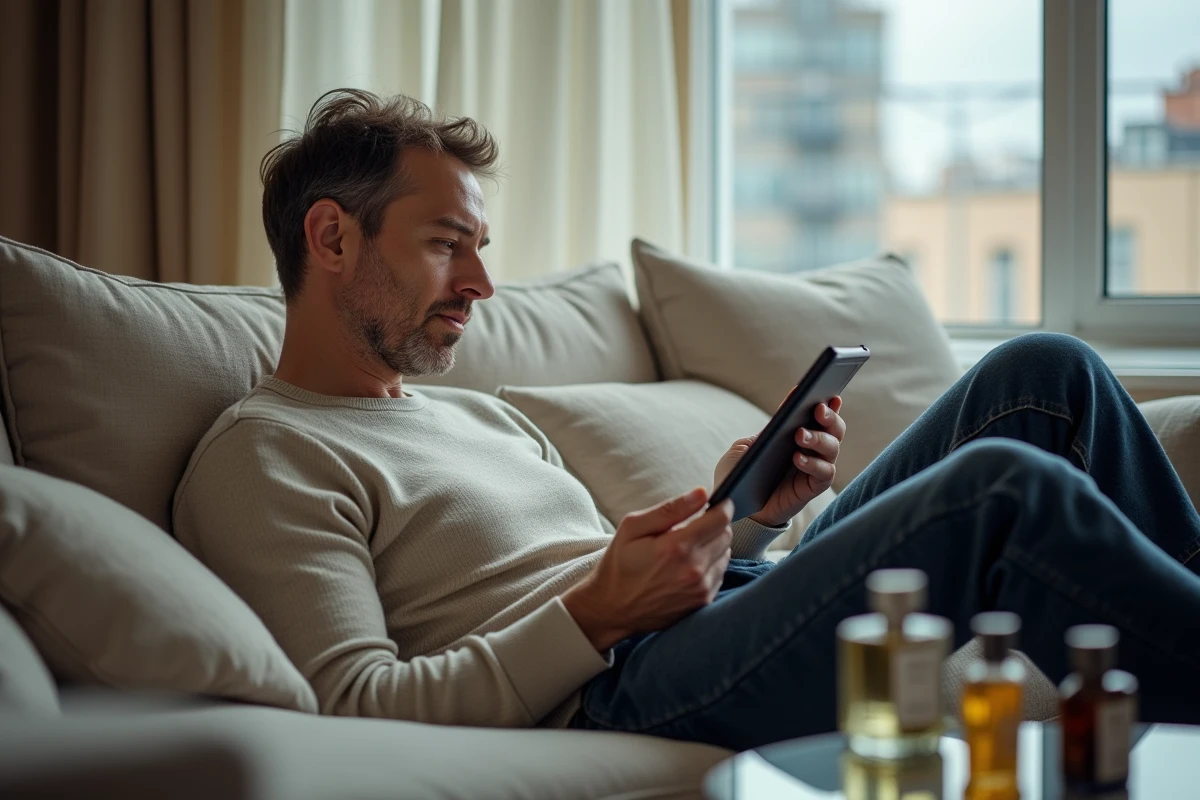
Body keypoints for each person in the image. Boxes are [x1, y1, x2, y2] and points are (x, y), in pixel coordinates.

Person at [172, 89, 1200, 752]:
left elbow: (631, 575)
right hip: (620, 684)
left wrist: (750, 517)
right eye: (448, 244)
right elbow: (356, 707)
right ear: (331, 238)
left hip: (697, 616)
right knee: (1000, 497)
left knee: (1040, 374)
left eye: (483, 246)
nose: (484, 282)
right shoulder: (267, 453)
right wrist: (594, 617)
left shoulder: (474, 413)